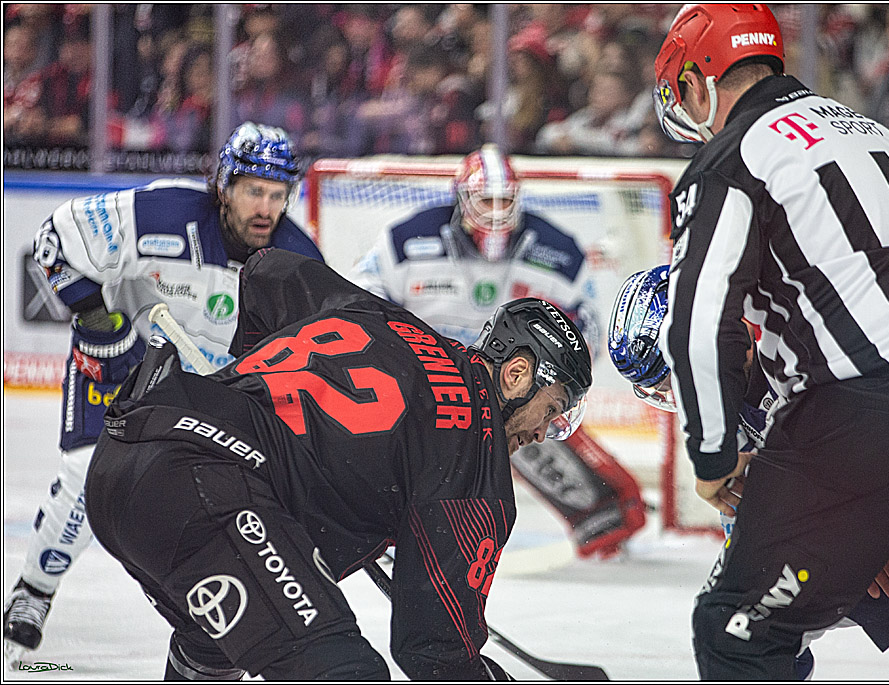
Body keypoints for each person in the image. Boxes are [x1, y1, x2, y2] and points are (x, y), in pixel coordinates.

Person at [651, 4, 889, 680]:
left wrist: (713, 457)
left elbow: (700, 322)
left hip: (874, 414)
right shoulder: (868, 131)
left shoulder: (729, 160)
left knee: (736, 627)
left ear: (701, 81)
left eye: (681, 90)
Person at [84, 247, 593, 679]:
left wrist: (255, 393)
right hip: (204, 485)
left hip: (127, 453)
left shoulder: (391, 321)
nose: (544, 432)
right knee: (348, 674)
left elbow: (266, 272)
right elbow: (432, 649)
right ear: (517, 374)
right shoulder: (473, 455)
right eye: (551, 410)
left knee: (218, 641)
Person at [3, 122, 324, 665]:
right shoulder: (160, 214)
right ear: (224, 186)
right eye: (253, 191)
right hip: (119, 370)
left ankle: (214, 624)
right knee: (85, 479)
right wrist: (100, 320)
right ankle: (33, 591)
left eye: (277, 194)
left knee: (221, 504)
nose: (266, 207)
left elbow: (310, 358)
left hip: (204, 397)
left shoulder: (299, 262)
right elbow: (54, 240)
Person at [609, 265, 889, 679]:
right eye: (665, 392)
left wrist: (865, 530)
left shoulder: (815, 339)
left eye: (679, 381)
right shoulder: (729, 431)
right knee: (743, 621)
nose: (685, 400)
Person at [349, 144, 646, 558]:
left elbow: (585, 325)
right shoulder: (406, 240)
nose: (494, 210)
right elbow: (366, 297)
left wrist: (557, 383)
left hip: (508, 382)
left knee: (533, 415)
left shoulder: (556, 252)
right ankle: (389, 517)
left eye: (504, 200)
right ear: (462, 198)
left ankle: (603, 512)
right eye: (486, 199)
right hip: (427, 376)